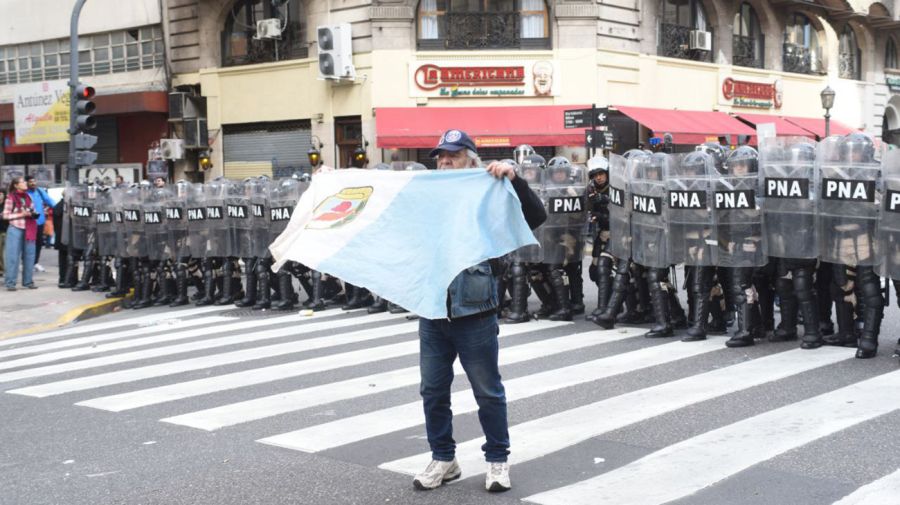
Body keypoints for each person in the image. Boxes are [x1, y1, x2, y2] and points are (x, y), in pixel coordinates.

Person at [412, 129, 546, 493]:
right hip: (434, 311)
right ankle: (444, 458)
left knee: (487, 391)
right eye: (440, 156)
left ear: (471, 160)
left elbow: (534, 215)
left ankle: (497, 459)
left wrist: (513, 180)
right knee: (433, 391)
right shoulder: (428, 197)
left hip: (476, 312)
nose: (443, 161)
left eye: (452, 155)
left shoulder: (489, 191)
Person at [3, 176, 39, 290]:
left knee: (30, 256)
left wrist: (33, 213)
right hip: (15, 228)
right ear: (16, 185)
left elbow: (31, 210)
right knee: (12, 257)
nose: (25, 183)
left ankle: (28, 282)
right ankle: (10, 283)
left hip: (29, 228)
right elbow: (5, 215)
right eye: (22, 182)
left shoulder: (28, 196)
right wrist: (21, 214)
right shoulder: (10, 198)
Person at [25, 175, 56, 273]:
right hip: (29, 223)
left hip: (40, 222)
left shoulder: (39, 191)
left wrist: (60, 207)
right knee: (28, 244)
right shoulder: (24, 193)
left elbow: (49, 201)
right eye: (30, 182)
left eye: (34, 181)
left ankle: (35, 263)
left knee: (38, 244)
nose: (33, 183)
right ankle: (27, 263)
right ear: (26, 183)